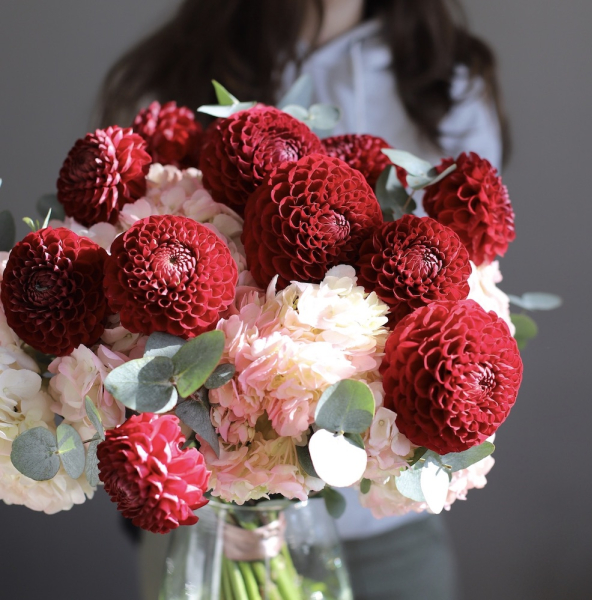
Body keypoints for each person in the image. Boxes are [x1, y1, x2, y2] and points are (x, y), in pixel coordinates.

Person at [99, 1, 509, 598]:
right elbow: (122, 310)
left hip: (385, 538)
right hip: (212, 530)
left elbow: (471, 296)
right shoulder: (173, 72)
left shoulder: (449, 83)